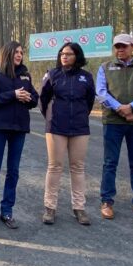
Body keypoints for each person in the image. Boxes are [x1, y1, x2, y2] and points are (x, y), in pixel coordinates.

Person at [95, 33, 133, 221]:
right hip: (113, 121)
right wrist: (120, 108)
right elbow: (101, 93)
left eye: (124, 46)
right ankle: (107, 201)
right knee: (110, 162)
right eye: (117, 47)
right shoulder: (105, 67)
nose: (120, 50)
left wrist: (132, 107)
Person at [0, 41, 39, 229]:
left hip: (19, 128)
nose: (19, 55)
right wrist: (12, 95)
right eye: (16, 52)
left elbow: (35, 99)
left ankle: (7, 211)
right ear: (7, 53)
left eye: (22, 52)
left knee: (13, 171)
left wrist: (28, 97)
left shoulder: (25, 75)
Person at [39, 42, 96, 226]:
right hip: (56, 125)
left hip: (79, 127)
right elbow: (43, 99)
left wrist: (78, 115)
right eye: (62, 53)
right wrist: (51, 117)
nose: (64, 56)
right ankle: (50, 208)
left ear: (77, 56)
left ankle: (79, 208)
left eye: (69, 54)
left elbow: (89, 101)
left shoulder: (86, 77)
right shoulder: (52, 74)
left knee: (78, 167)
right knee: (54, 167)